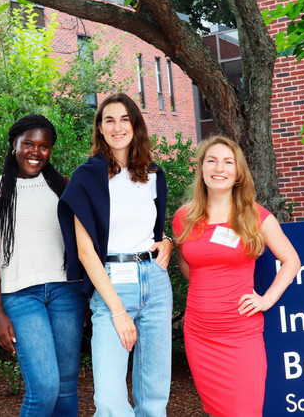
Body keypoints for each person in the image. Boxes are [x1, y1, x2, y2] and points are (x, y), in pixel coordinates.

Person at [58, 93, 173, 417]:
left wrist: (166, 240)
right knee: (109, 401)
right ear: (100, 128)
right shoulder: (87, 177)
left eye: (124, 119)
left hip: (155, 283)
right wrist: (118, 311)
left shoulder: (152, 175)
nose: (117, 126)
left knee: (153, 397)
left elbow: (152, 232)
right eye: (109, 120)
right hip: (111, 284)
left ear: (135, 125)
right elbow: (84, 250)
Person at [172, 135, 301, 417]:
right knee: (217, 411)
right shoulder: (184, 217)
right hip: (199, 334)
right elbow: (186, 263)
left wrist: (267, 300)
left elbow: (292, 260)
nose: (220, 168)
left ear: (238, 172)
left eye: (228, 162)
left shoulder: (255, 215)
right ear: (202, 168)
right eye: (212, 161)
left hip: (241, 335)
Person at [0, 114, 88, 417]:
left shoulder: (64, 186)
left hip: (67, 294)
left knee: (66, 387)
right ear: (14, 144)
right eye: (28, 144)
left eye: (44, 146)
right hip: (21, 297)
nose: (35, 152)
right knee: (44, 389)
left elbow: (88, 238)